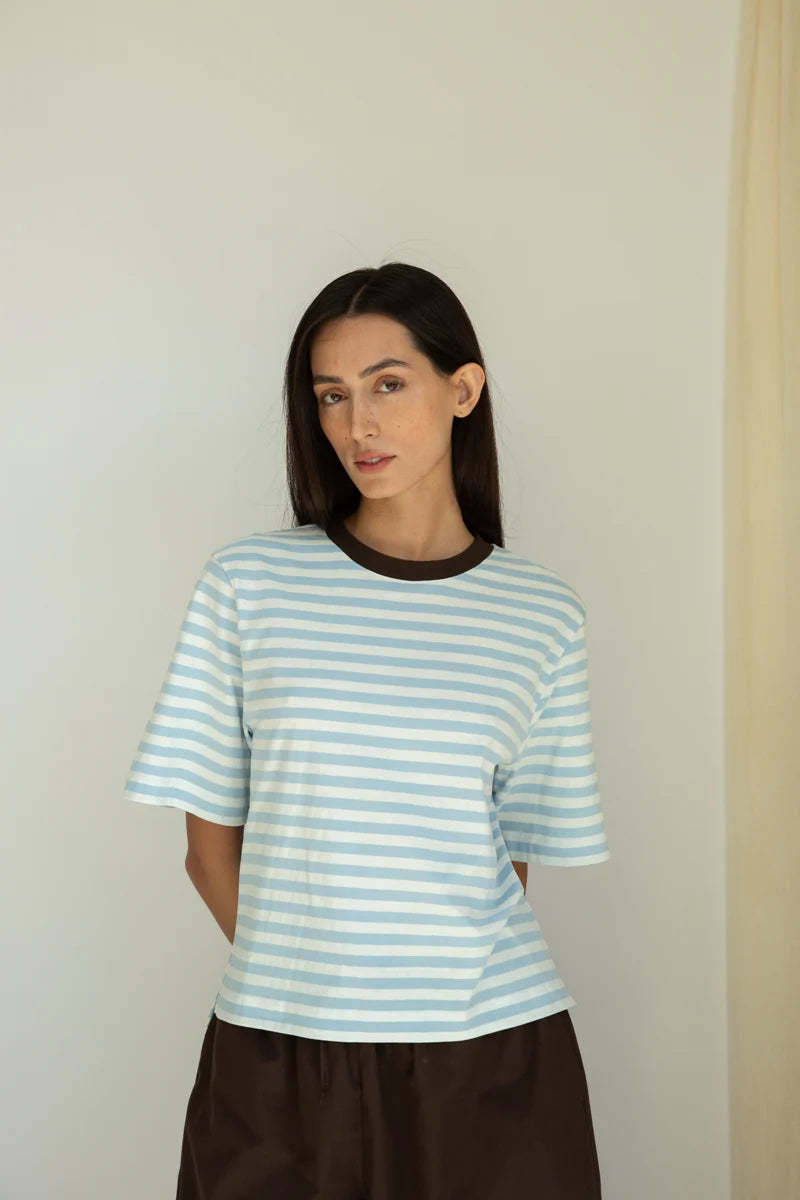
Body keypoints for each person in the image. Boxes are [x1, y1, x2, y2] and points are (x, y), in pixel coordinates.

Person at [124, 261, 611, 1199]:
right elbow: (206, 849)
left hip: (491, 1051)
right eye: (332, 396)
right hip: (282, 1051)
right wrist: (314, 985)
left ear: (462, 389)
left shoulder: (541, 614)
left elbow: (505, 863)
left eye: (388, 385)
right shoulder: (249, 586)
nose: (358, 425)